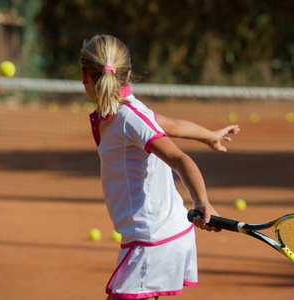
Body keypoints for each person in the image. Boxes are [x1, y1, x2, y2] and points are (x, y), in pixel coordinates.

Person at [80, 34, 240, 300]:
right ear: (128, 75)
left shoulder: (130, 117)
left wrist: (202, 202)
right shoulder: (126, 113)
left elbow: (179, 159)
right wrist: (210, 136)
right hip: (155, 235)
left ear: (84, 76)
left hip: (153, 239)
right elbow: (175, 125)